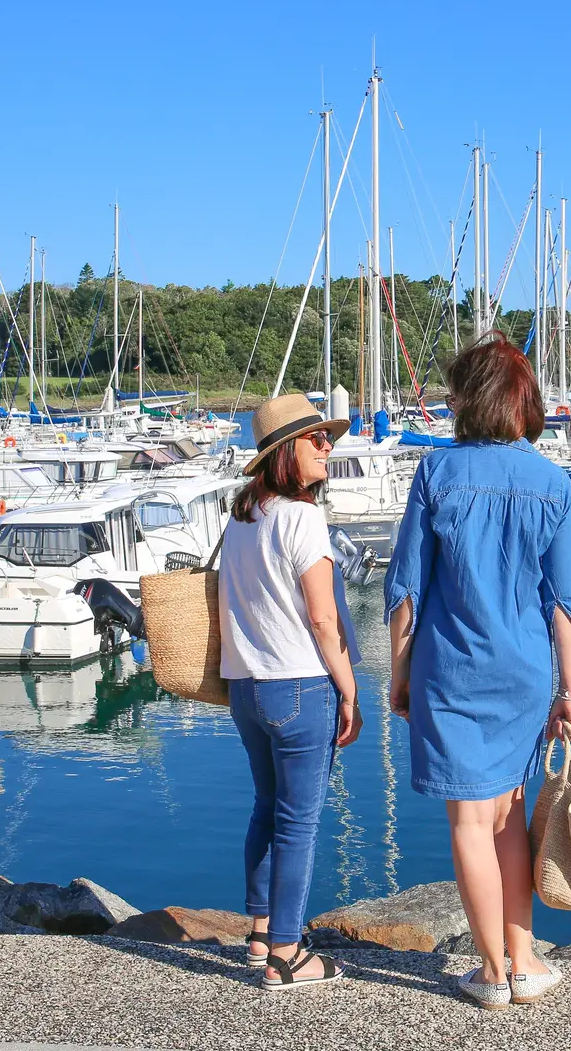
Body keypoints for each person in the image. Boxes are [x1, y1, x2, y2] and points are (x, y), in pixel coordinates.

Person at [384, 332, 571, 1009]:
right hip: (525, 674)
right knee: (509, 815)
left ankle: (493, 974)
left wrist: (399, 673)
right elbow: (566, 604)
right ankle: (524, 962)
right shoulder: (552, 482)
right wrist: (568, 692)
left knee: (471, 823)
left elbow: (407, 589)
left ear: (469, 400)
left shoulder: (436, 473)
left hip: (451, 669)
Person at [218, 395, 361, 992]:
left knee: (266, 806)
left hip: (245, 688)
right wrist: (349, 691)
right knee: (298, 822)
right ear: (285, 452)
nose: (328, 447)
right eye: (316, 440)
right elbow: (324, 620)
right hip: (299, 684)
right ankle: (286, 955)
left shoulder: (241, 519)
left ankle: (259, 935)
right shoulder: (302, 519)